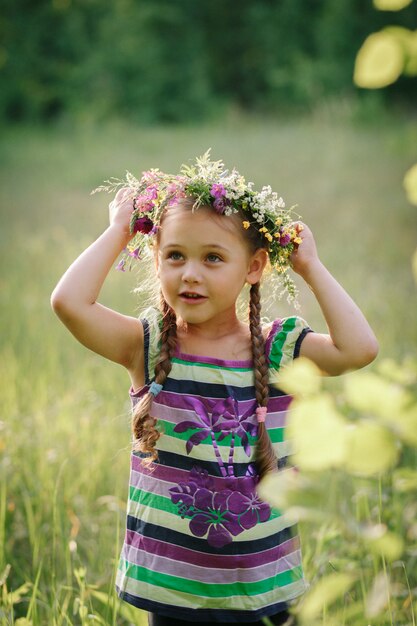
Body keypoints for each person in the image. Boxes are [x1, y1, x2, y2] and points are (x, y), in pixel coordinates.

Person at [51, 153, 378, 626]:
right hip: (171, 587)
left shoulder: (279, 348)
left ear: (254, 266)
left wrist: (311, 267)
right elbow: (68, 302)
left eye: (213, 258)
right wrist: (119, 231)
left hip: (263, 586)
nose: (190, 273)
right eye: (175, 255)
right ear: (157, 259)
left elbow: (359, 349)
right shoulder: (146, 345)